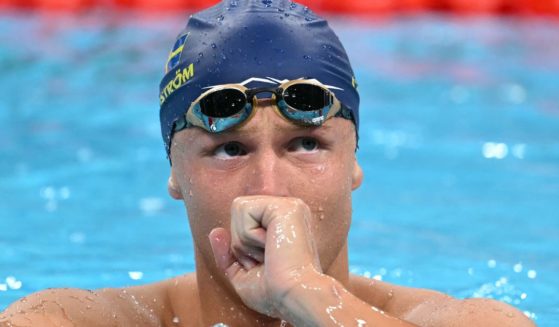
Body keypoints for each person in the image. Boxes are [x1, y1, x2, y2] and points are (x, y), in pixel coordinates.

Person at [1, 1, 535, 326]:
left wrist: (308, 297)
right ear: (174, 175)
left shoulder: (473, 321)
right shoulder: (65, 319)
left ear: (354, 163)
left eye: (305, 145)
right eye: (229, 149)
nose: (269, 191)